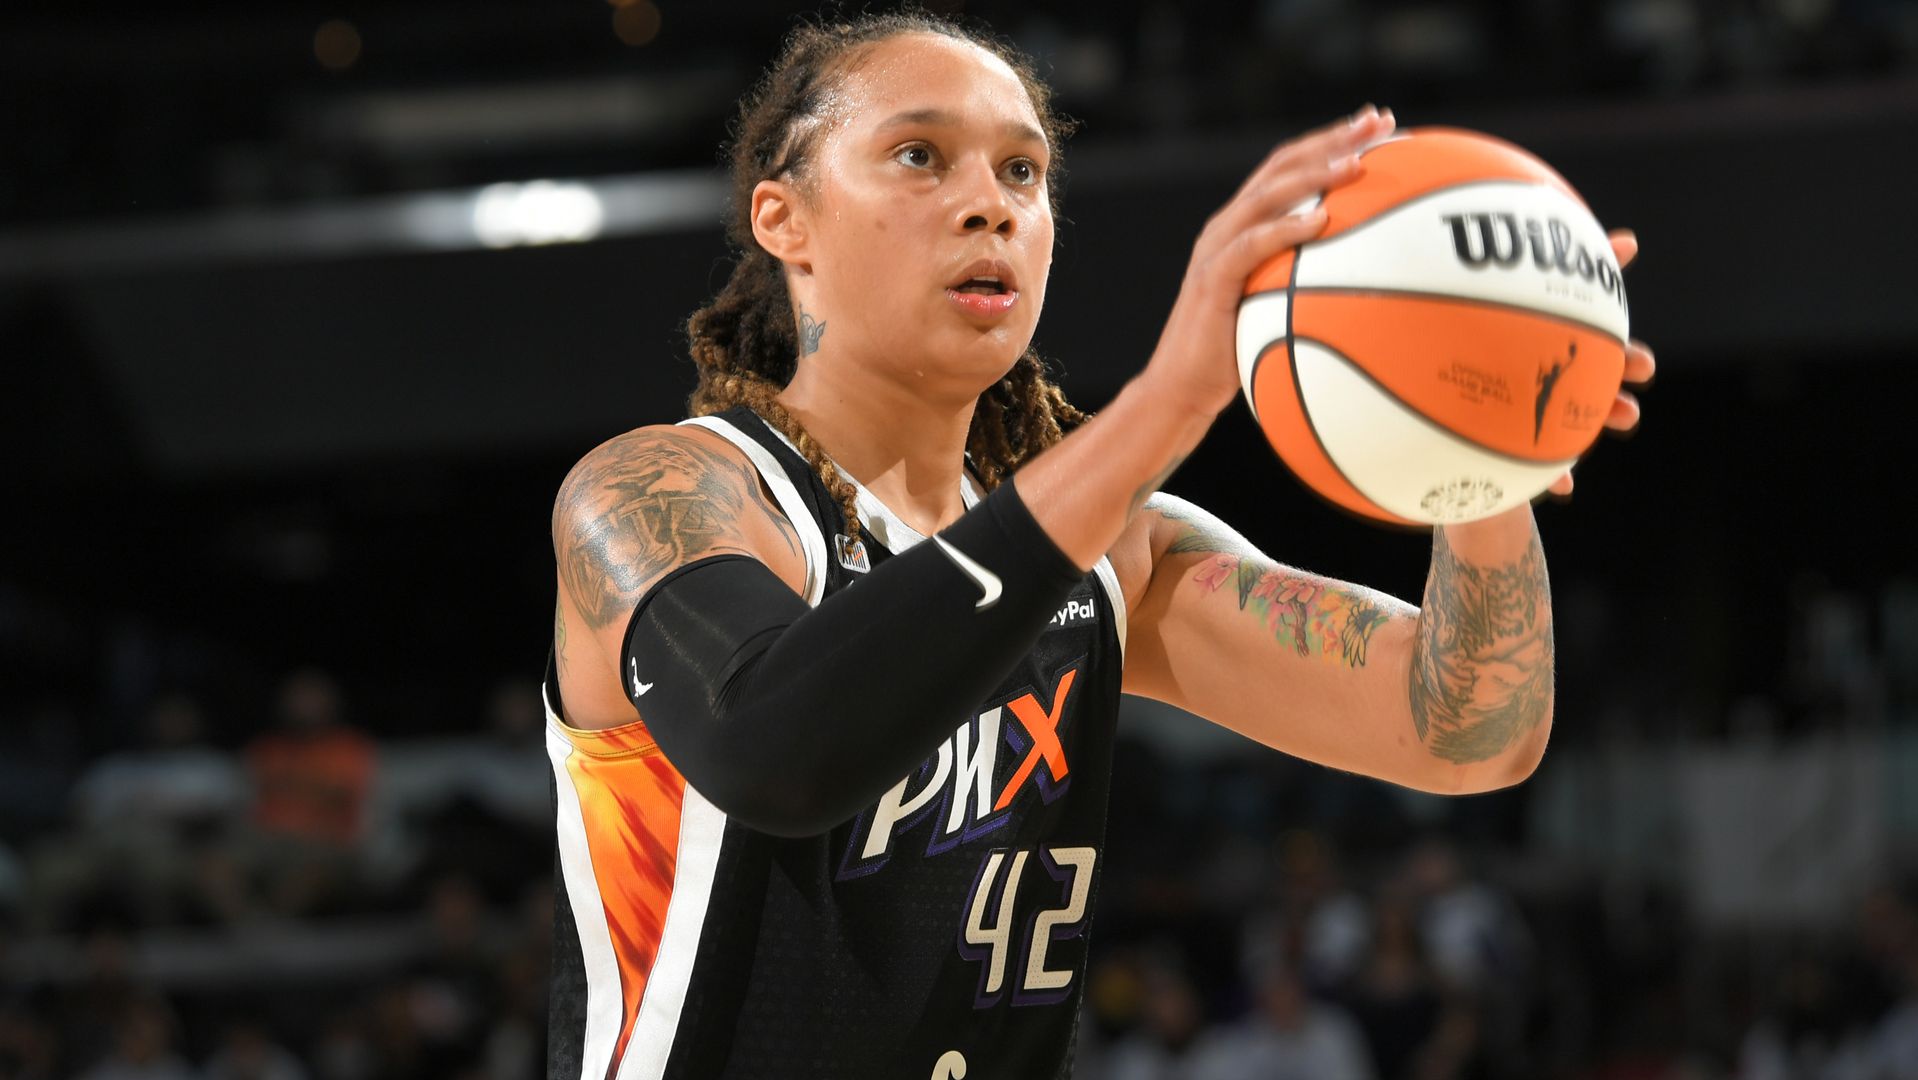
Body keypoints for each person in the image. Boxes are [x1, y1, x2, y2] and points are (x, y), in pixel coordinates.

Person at [542, 12, 1655, 1080]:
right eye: (920, 156)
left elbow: (1464, 730)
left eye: (1022, 172)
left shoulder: (1116, 555)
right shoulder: (661, 496)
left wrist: (1482, 450)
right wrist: (1168, 403)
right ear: (785, 220)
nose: (989, 203)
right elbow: (774, 751)